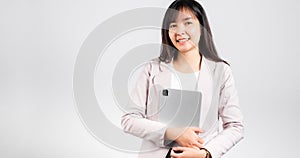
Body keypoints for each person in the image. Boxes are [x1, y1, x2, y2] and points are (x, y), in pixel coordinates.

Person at [121, 0, 244, 157]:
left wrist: (206, 154)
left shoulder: (221, 71)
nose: (180, 31)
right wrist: (173, 133)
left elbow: (235, 126)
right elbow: (129, 120)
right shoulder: (152, 68)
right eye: (173, 25)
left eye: (188, 23)